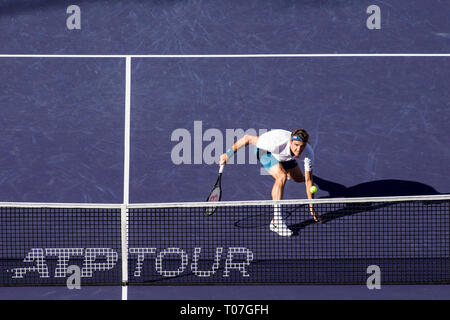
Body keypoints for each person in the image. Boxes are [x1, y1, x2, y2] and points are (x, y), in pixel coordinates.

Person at [219, 128, 322, 237]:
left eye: (302, 146)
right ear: (290, 141)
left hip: (285, 157)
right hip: (265, 151)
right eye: (296, 145)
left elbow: (308, 180)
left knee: (299, 178)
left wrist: (312, 207)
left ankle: (282, 169)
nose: (298, 149)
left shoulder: (308, 152)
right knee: (281, 177)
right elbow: (247, 138)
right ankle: (277, 221)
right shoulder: (273, 143)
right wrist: (227, 154)